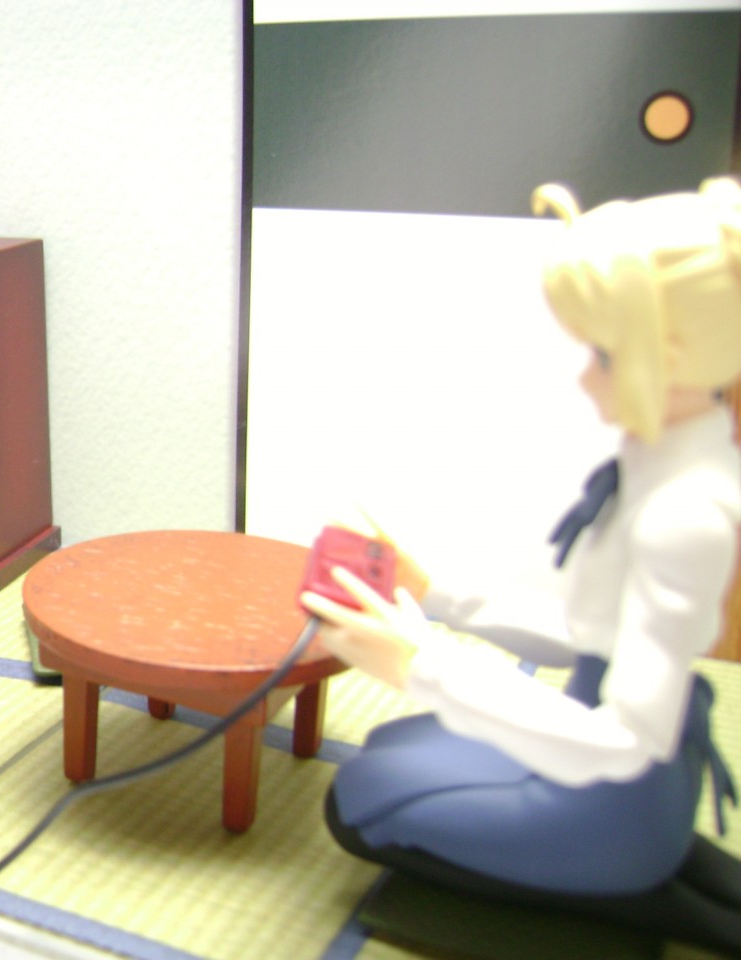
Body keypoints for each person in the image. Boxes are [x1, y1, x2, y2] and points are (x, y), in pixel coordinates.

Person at [302, 179, 741, 952]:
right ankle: (661, 866)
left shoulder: (685, 514)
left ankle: (641, 889)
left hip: (611, 786)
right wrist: (434, 594)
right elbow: (589, 633)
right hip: (621, 762)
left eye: (602, 355)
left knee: (356, 803)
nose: (585, 376)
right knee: (392, 749)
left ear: (665, 356)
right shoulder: (660, 465)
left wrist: (419, 664)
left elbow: (621, 742)